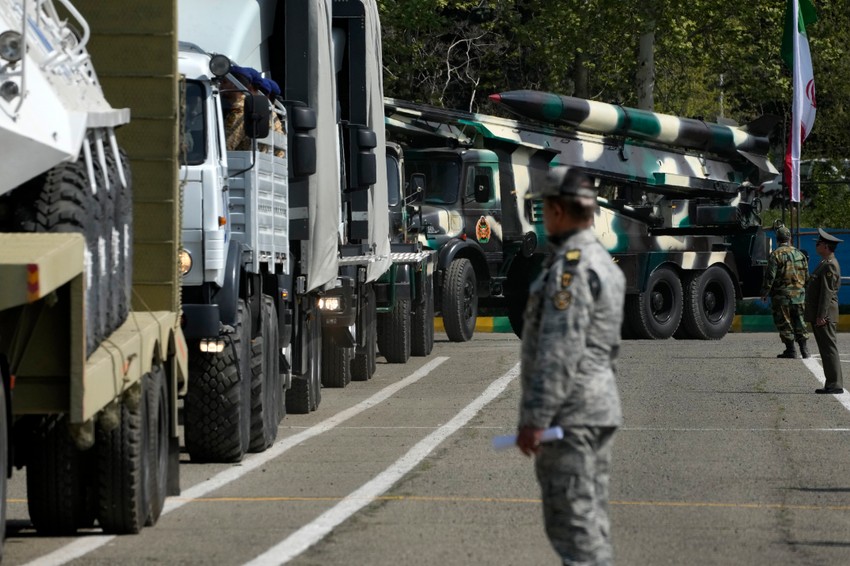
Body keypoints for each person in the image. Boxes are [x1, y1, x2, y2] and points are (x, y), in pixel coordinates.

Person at [516, 167, 625, 565]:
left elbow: (560, 349)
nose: (543, 217)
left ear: (559, 210)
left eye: (544, 208)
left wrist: (535, 418)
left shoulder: (570, 268)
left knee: (574, 528)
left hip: (571, 416)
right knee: (590, 522)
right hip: (596, 408)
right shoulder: (603, 262)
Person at [760, 224, 809, 358]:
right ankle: (805, 350)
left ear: (777, 240)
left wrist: (764, 292)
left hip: (782, 297)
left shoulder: (775, 255)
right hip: (799, 296)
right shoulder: (800, 254)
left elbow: (770, 276)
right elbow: (807, 277)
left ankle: (791, 350)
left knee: (785, 322)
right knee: (800, 321)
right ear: (790, 239)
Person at [805, 228, 844, 394]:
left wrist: (822, 315)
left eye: (819, 243)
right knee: (825, 349)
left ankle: (835, 384)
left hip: (825, 315)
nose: (817, 246)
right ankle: (831, 383)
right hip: (822, 314)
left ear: (826, 246)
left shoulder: (829, 265)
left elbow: (827, 293)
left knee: (829, 349)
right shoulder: (825, 263)